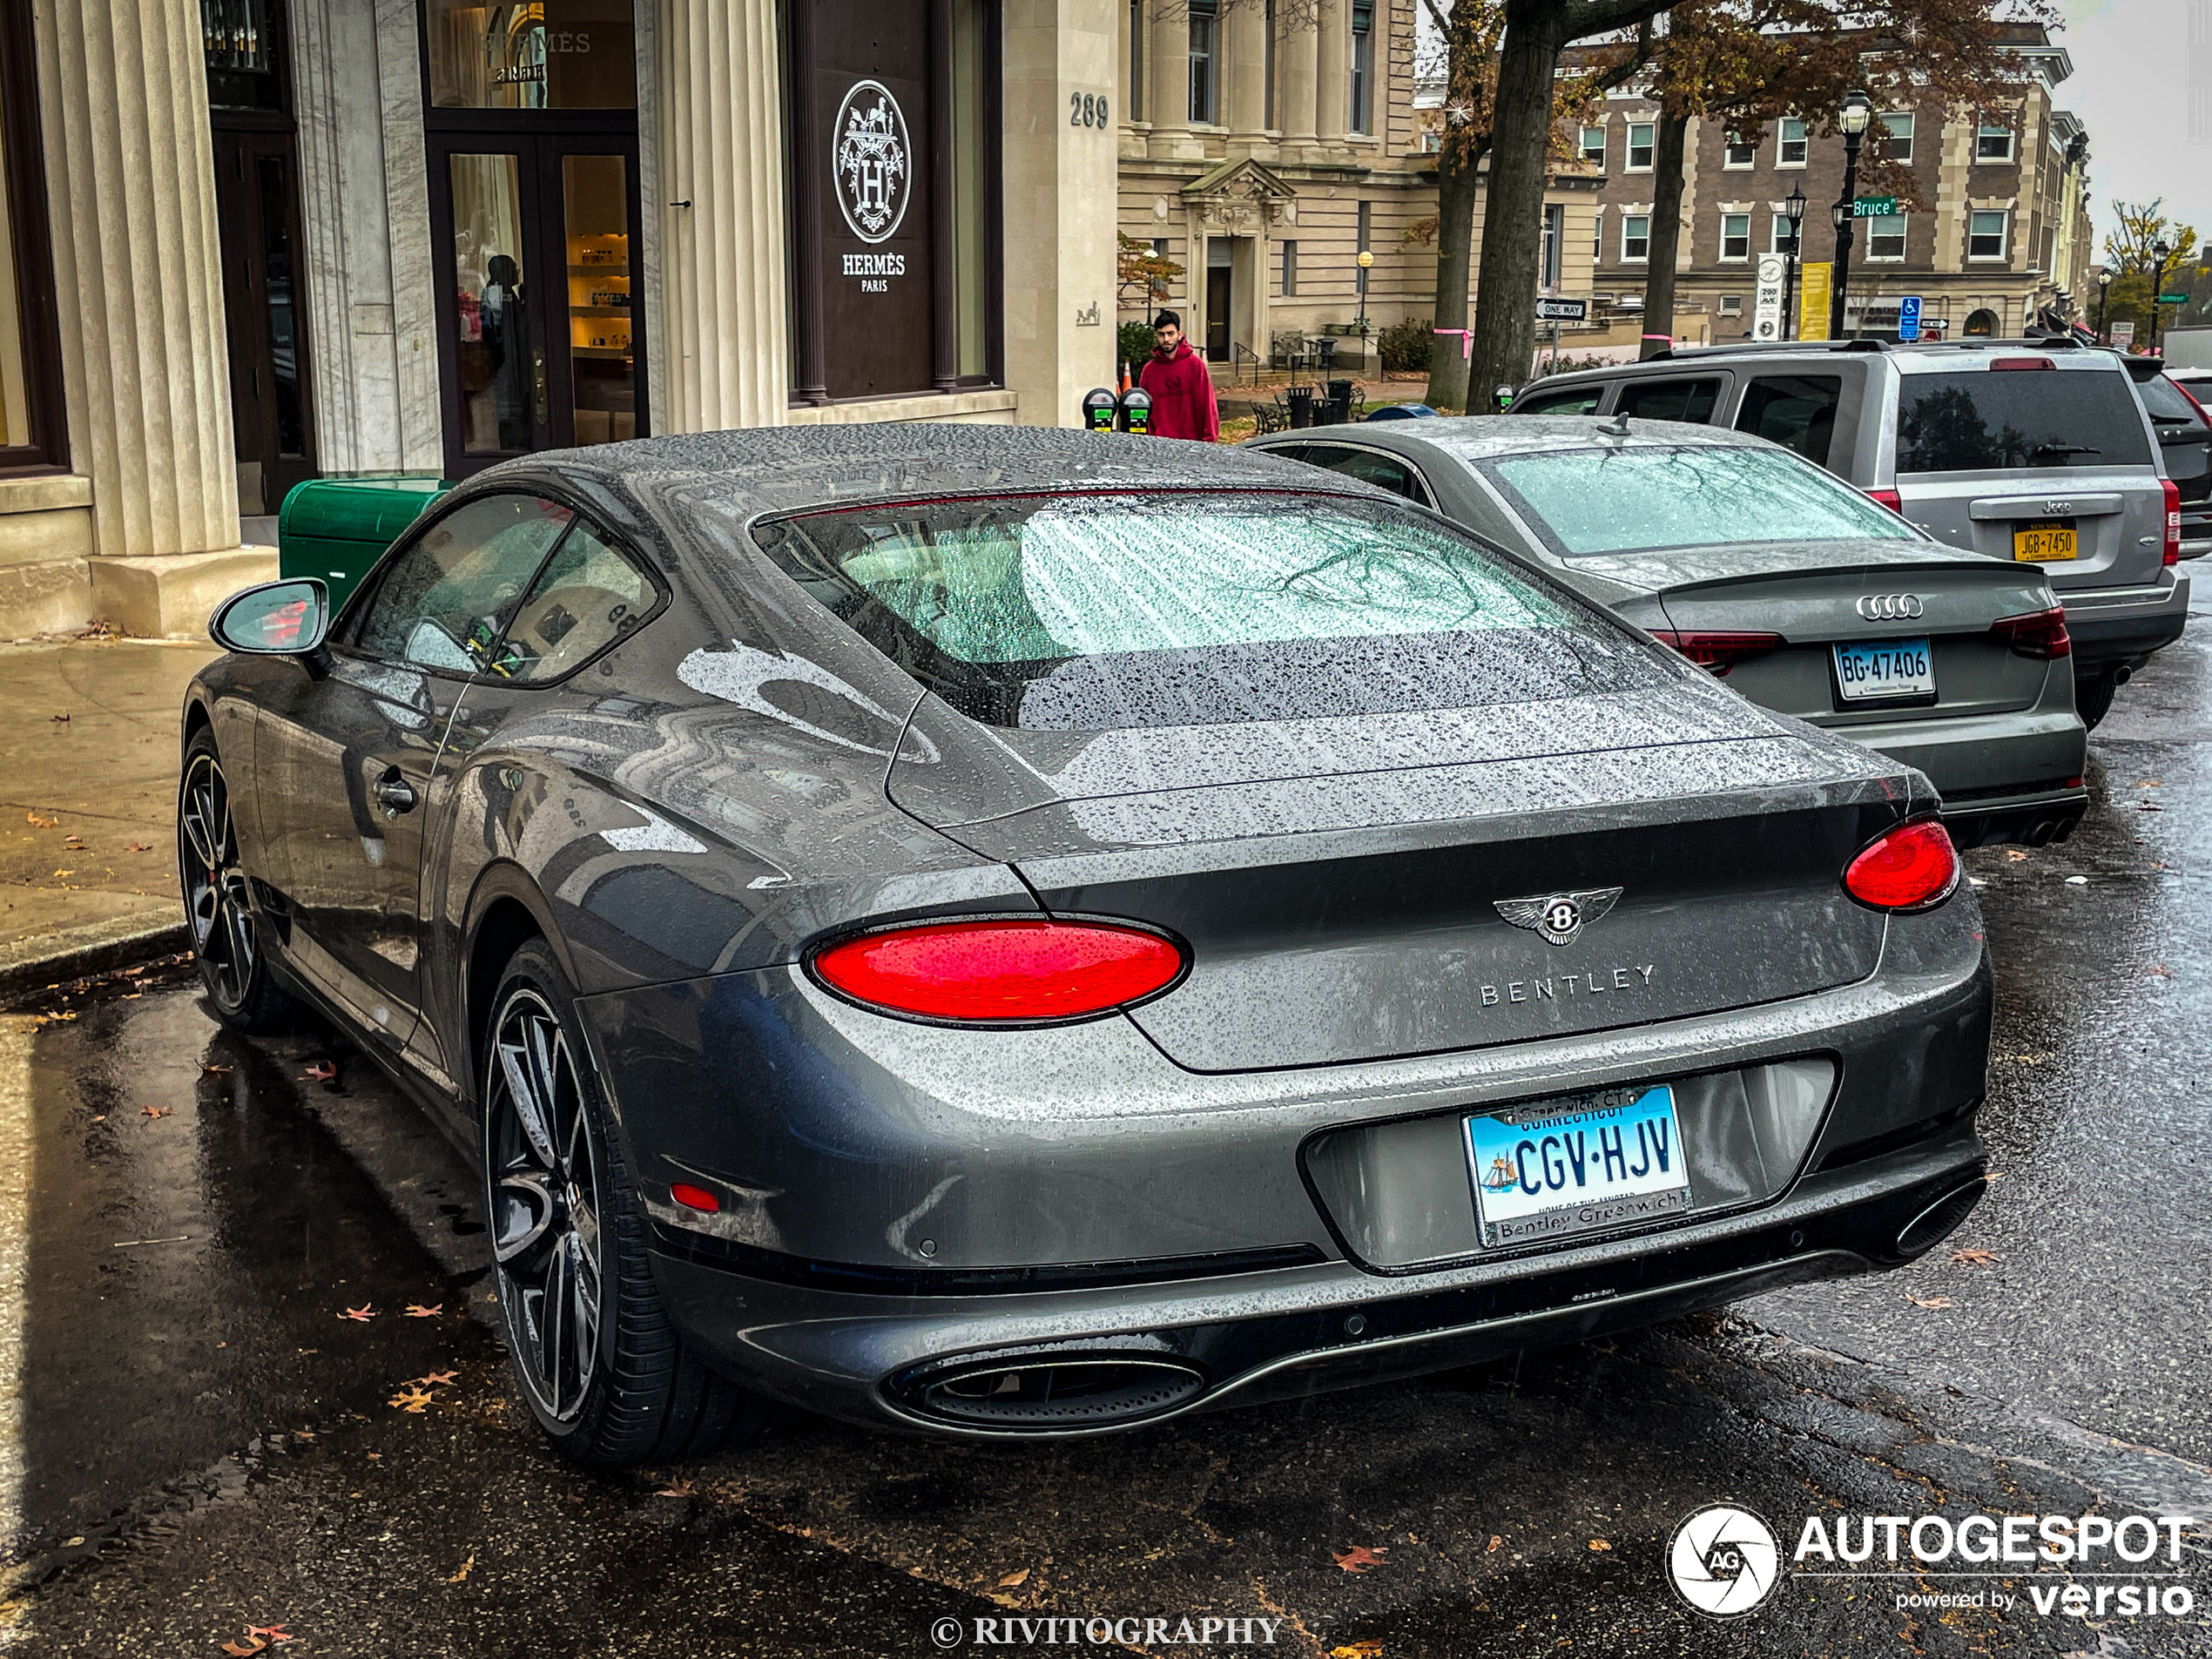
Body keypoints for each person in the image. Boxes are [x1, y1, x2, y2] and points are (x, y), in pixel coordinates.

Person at [1137, 310, 1219, 442]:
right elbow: (1143, 411)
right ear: (1156, 336)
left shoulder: (1195, 365)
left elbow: (1207, 405)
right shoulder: (1149, 371)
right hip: (1159, 445)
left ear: (1180, 334)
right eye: (1161, 334)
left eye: (1170, 333)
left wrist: (1209, 440)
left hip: (1192, 444)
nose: (1166, 339)